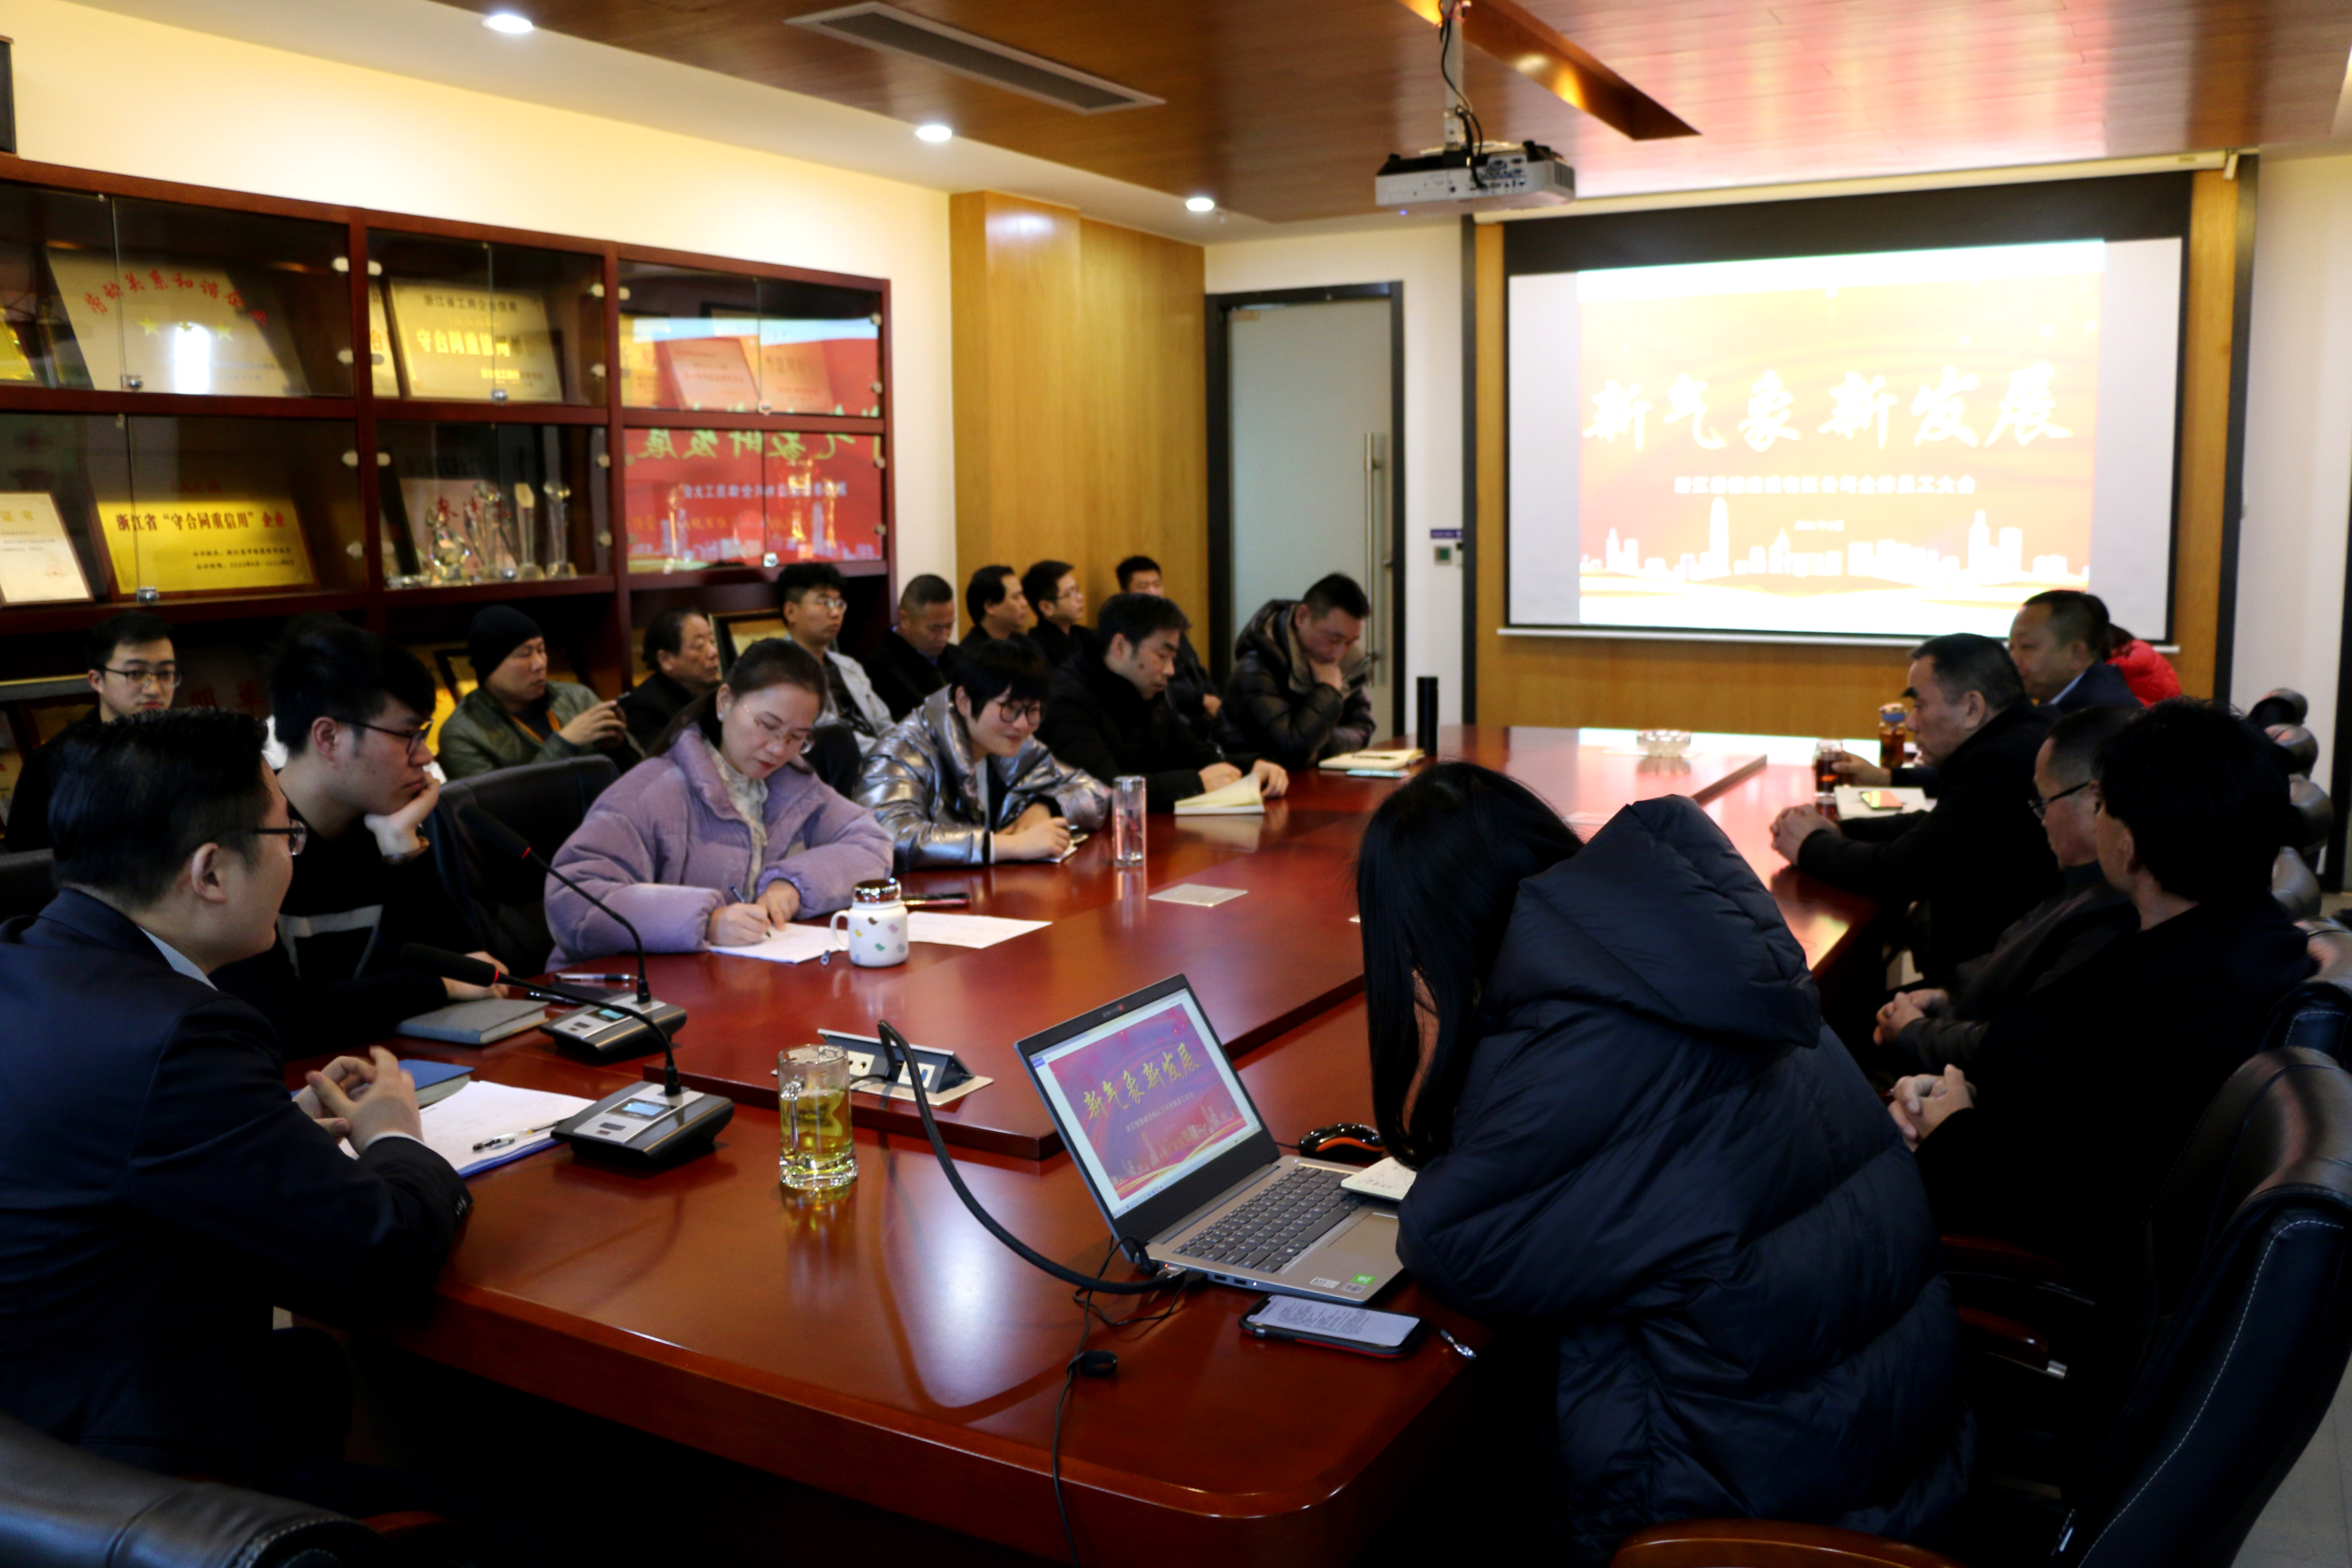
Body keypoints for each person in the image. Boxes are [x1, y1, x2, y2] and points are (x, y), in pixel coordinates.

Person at [1362, 766, 1967, 1563]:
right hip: (1892, 1457)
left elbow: (1448, 1243)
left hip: (1760, 1516)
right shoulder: (1695, 966)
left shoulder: (1581, 1044)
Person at [0, 708, 469, 1488]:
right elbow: (384, 1251)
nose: (293, 857)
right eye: (286, 835)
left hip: (33, 1429)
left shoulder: (23, 958)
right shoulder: (181, 1033)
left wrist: (263, 1129)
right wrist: (394, 1135)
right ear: (211, 872)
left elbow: (113, 1147)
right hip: (135, 1484)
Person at [1892, 700, 2314, 1305]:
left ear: (2129, 844)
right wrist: (1958, 1102)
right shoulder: (2241, 942)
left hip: (2024, 1267)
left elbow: (2085, 1207)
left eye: (2103, 805)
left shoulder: (2178, 992)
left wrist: (1953, 1132)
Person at [211, 617, 506, 1051]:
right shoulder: (243, 838)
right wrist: (437, 985)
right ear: (328, 736)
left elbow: (474, 973)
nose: (426, 756)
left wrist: (403, 848)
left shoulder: (377, 824)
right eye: (408, 735)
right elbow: (275, 1015)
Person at [545, 638, 892, 963]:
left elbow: (872, 843)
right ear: (725, 702)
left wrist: (795, 885)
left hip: (738, 979)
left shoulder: (791, 784)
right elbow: (573, 901)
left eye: (797, 737)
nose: (778, 749)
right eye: (768, 725)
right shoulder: (653, 791)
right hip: (625, 991)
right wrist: (706, 922)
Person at [1772, 633, 2054, 985]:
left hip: (1986, 994)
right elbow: (1940, 826)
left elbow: (1901, 871)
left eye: (1919, 705)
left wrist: (1809, 846)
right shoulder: (2019, 736)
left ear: (1972, 708)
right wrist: (1842, 830)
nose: (1911, 723)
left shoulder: (2000, 764)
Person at [1874, 704, 2139, 1077]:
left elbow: (2021, 1046)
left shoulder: (2116, 908)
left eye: (2044, 803)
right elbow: (2009, 960)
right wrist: (1948, 997)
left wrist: (1914, 1034)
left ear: (2095, 802)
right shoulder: (2081, 879)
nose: (2042, 820)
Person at [855, 638, 1109, 867]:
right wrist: (1009, 846)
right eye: (1009, 708)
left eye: (1033, 710)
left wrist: (1043, 806)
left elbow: (1096, 791)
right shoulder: (901, 752)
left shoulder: (1012, 743)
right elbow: (887, 835)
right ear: (964, 701)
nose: (1023, 725)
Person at [1040, 592, 1287, 812]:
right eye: (1162, 656)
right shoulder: (1066, 700)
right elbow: (1103, 791)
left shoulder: (1146, 690)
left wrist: (1254, 766)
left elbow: (1194, 755)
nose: (1170, 670)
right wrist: (1197, 783)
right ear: (1121, 647)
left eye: (1173, 658)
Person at [6, 609, 176, 851]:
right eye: (136, 674)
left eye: (165, 674)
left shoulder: (196, 751)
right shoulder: (52, 763)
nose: (154, 689)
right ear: (97, 680)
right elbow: (27, 862)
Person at [438, 606, 639, 780]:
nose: (539, 664)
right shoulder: (461, 735)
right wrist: (565, 744)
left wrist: (619, 749)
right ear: (489, 666)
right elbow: (497, 806)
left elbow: (642, 776)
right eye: (524, 654)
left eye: (541, 651)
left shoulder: (578, 697)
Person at [1220, 573, 1375, 768]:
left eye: (1350, 642)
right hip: (1254, 780)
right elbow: (1291, 750)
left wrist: (1320, 746)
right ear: (1302, 618)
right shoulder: (1256, 669)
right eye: (1334, 640)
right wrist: (1328, 691)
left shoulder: (1339, 659)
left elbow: (1363, 727)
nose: (1339, 654)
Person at [779, 561, 894, 748]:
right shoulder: (779, 672)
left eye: (839, 604)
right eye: (823, 603)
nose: (835, 613)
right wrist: (887, 751)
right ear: (791, 612)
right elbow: (826, 737)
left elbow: (884, 723)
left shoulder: (849, 666)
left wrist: (902, 745)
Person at [1116, 554, 1219, 742]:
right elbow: (1155, 685)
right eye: (1144, 587)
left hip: (1203, 714)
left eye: (1157, 585)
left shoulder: (1172, 627)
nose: (1154, 592)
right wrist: (1202, 701)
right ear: (1126, 594)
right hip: (1173, 721)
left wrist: (1214, 699)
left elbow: (1197, 671)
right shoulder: (1128, 636)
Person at [2007, 589, 2142, 714]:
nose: (2013, 660)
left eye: (2027, 646)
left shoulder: (2099, 717)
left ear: (2077, 655)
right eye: (2011, 648)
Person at [618, 607, 722, 753]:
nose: (713, 652)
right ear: (666, 660)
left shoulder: (723, 692)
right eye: (699, 646)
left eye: (712, 642)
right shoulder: (644, 708)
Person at [864, 573, 964, 721]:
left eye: (949, 626)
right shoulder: (878, 668)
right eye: (934, 629)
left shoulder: (960, 656)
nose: (944, 637)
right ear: (904, 619)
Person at [1022, 559, 1090, 669]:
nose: (1080, 598)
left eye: (1077, 590)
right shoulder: (1036, 648)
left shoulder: (1086, 636)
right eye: (1069, 594)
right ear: (1047, 607)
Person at [2105, 621, 2183, 706]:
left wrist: (2106, 663)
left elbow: (2130, 665)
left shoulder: (2137, 651)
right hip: (2165, 703)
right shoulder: (2136, 649)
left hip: (2163, 706)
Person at [962, 564, 1033, 654]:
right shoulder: (970, 655)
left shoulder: (1027, 644)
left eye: (1022, 595)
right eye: (1016, 597)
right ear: (990, 607)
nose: (1025, 603)